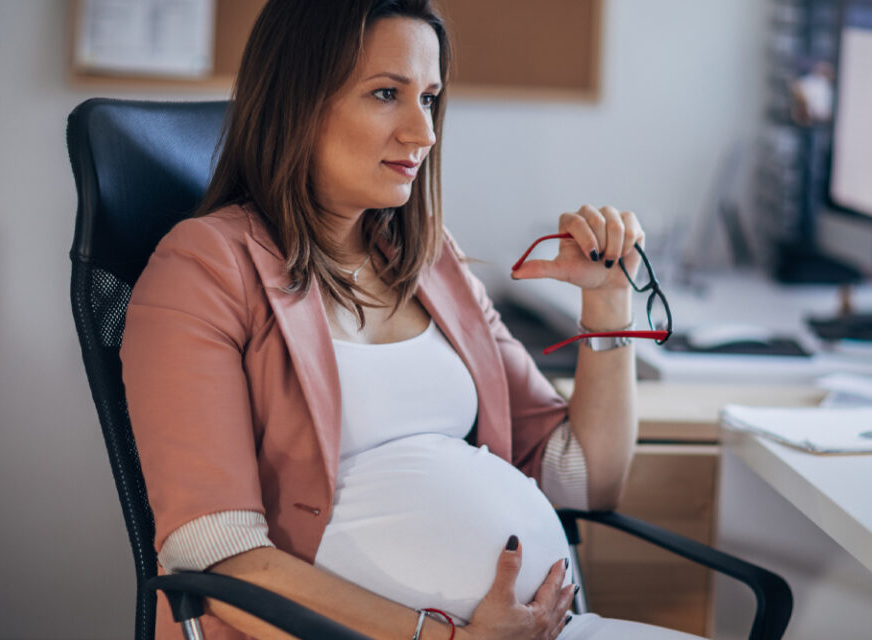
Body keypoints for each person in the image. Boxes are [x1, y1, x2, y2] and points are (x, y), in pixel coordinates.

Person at [121, 1, 705, 638]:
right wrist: (443, 637)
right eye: (385, 94)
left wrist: (609, 305)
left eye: (428, 98)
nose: (423, 132)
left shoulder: (431, 263)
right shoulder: (206, 266)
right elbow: (216, 556)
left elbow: (583, 480)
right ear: (297, 102)